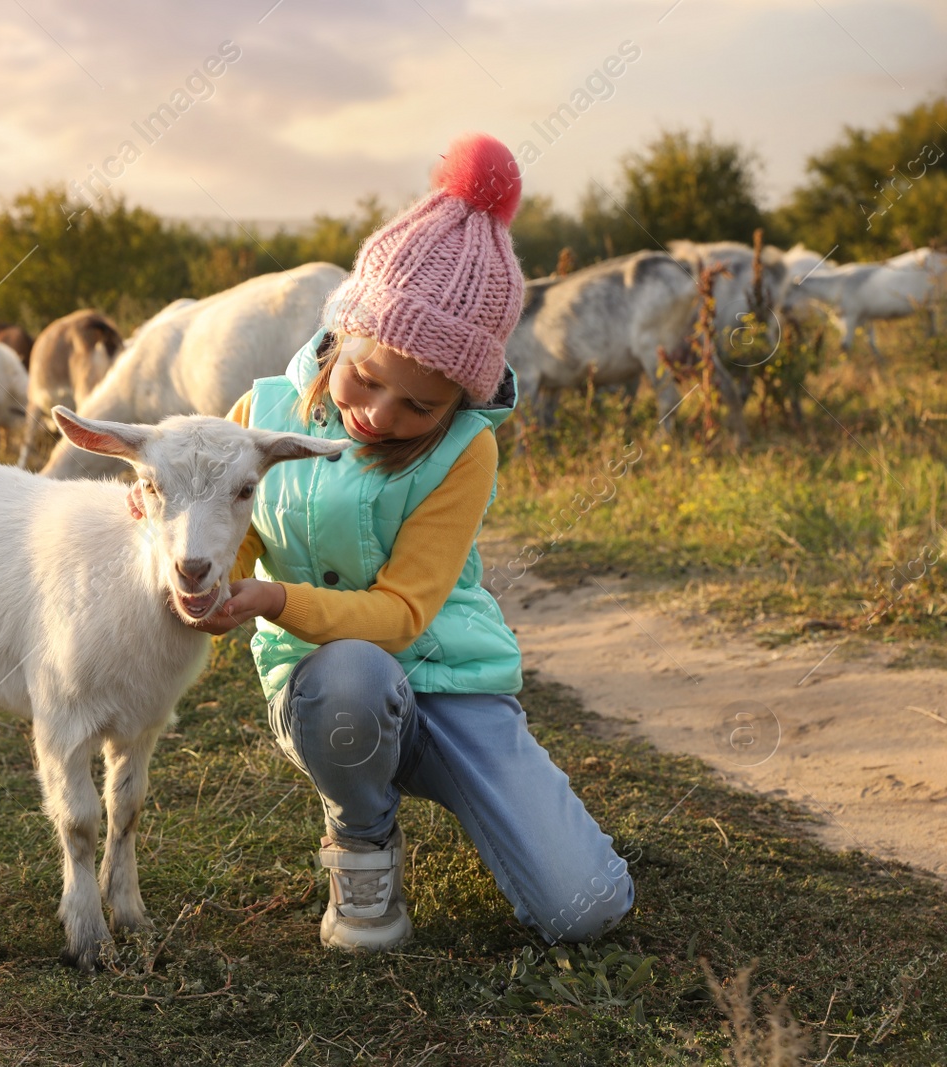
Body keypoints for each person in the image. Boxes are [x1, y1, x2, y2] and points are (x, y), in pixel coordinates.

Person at [128, 132, 634, 952]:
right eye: (367, 378)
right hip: (336, 692)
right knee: (354, 676)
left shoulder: (466, 449)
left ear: (458, 401)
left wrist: (274, 600)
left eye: (419, 407)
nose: (380, 415)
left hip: (453, 683)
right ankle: (362, 834)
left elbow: (402, 612)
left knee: (587, 909)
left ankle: (512, 801)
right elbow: (231, 531)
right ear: (343, 332)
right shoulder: (257, 416)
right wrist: (209, 566)